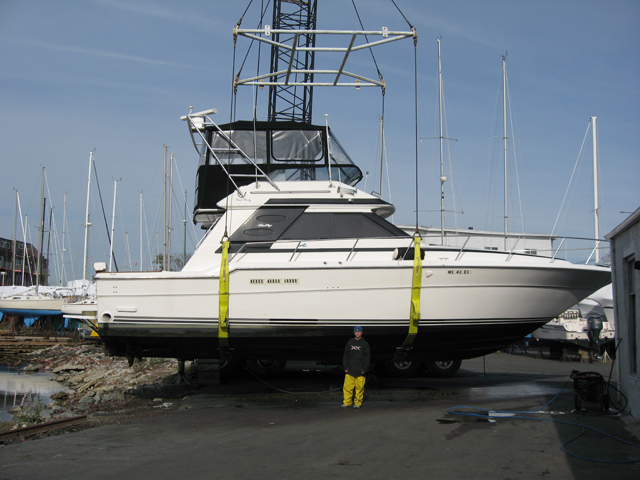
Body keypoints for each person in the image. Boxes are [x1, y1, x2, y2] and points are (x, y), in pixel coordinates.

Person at [341, 326, 370, 409]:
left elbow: (367, 357)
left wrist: (364, 369)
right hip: (350, 370)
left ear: (361, 333)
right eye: (356, 332)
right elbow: (346, 356)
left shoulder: (365, 344)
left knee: (359, 388)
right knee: (347, 388)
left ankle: (358, 402)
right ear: (354, 333)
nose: (357, 333)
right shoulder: (350, 343)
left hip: (360, 371)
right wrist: (345, 366)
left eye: (359, 332)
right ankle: (347, 402)